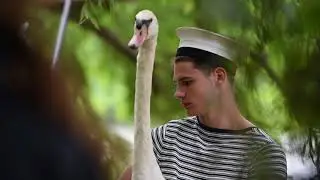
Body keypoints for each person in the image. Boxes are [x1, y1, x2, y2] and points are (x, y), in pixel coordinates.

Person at [120, 27, 287, 179]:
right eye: (177, 83)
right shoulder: (165, 138)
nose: (178, 93)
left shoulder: (264, 154)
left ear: (219, 77)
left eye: (187, 82)